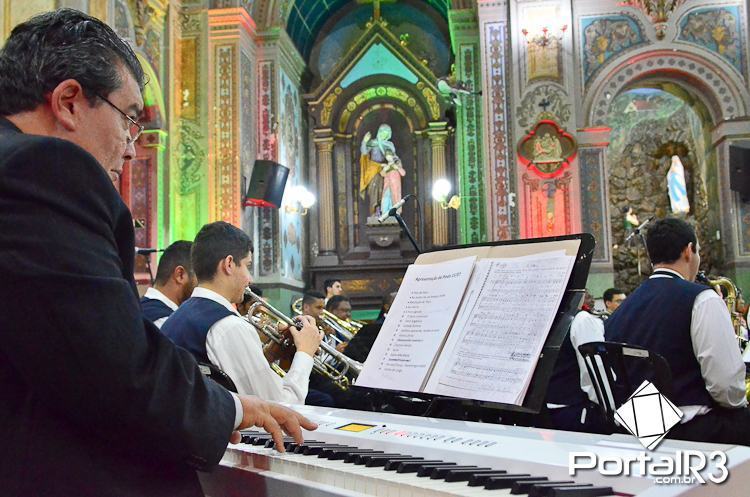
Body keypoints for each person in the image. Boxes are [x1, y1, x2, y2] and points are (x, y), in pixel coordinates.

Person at [0, 10, 314, 497]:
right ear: (68, 102)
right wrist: (233, 408)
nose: (132, 149)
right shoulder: (42, 168)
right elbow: (117, 370)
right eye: (129, 118)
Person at [605, 217, 750, 445]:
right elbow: (726, 387)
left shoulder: (621, 310)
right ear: (688, 251)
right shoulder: (702, 299)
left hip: (641, 429)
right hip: (692, 428)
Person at [161, 221, 323, 404]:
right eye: (248, 266)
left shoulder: (177, 316)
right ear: (229, 264)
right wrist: (305, 352)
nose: (250, 279)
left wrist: (269, 355)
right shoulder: (229, 326)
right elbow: (280, 406)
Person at [541, 289, 609, 434]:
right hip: (575, 411)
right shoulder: (581, 319)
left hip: (547, 409)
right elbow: (595, 372)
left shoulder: (546, 318)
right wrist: (611, 412)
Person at [140, 240, 196, 327]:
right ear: (180, 275)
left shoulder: (137, 308)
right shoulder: (165, 323)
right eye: (200, 277)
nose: (204, 286)